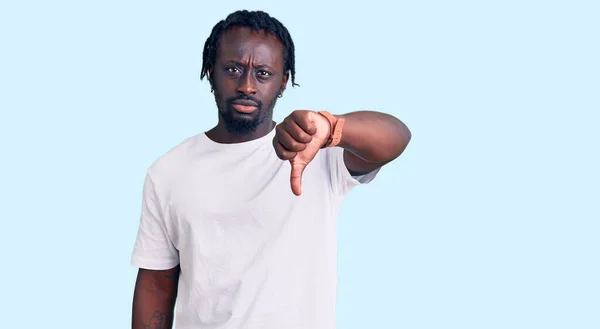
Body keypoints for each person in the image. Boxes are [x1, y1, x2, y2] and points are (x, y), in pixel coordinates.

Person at [130, 9, 411, 329]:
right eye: (233, 69)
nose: (247, 86)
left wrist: (331, 127)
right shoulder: (168, 171)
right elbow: (157, 284)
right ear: (211, 72)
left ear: (283, 82)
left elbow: (396, 137)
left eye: (263, 73)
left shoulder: (316, 152)